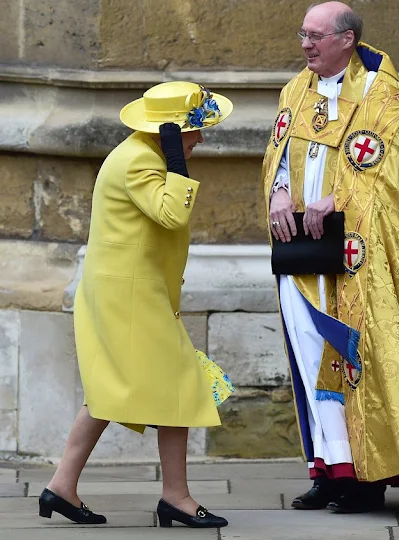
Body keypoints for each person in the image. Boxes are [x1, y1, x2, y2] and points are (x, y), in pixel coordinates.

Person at [262, 1, 399, 513]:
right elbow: (278, 151)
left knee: (355, 356)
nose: (306, 45)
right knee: (312, 355)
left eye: (315, 36)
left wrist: (338, 198)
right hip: (304, 251)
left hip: (363, 257)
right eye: (302, 35)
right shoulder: (296, 89)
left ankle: (367, 476)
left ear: (348, 39)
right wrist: (278, 192)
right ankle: (330, 470)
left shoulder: (384, 95)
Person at [38, 81, 234, 528]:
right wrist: (178, 161)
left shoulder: (142, 154)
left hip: (130, 293)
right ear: (169, 132)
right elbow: (172, 213)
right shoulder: (140, 161)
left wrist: (174, 154)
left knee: (111, 393)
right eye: (193, 130)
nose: (201, 138)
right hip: (128, 298)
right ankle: (176, 498)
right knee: (180, 385)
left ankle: (61, 487)